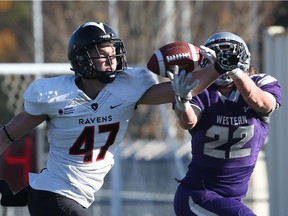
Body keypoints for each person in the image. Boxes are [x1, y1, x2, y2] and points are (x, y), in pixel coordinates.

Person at [0, 21, 221, 215]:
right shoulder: (55, 96)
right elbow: (9, 135)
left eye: (112, 53)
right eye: (102, 54)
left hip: (75, 195)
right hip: (54, 192)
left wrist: (218, 68)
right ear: (81, 59)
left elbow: (178, 89)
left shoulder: (127, 88)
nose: (111, 59)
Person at [169, 32, 282, 216]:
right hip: (198, 195)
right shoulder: (200, 90)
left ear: (243, 59)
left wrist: (235, 71)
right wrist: (182, 100)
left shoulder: (262, 83)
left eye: (229, 57)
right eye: (219, 58)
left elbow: (263, 104)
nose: (224, 62)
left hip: (231, 199)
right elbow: (188, 121)